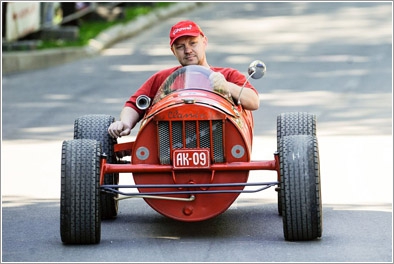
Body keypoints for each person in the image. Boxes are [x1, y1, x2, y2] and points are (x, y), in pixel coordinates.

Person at [108, 20, 260, 138]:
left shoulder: (228, 75)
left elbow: (253, 102)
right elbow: (134, 104)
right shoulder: (162, 78)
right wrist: (125, 123)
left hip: (221, 141)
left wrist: (226, 86)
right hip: (168, 145)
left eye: (193, 43)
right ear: (172, 50)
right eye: (180, 47)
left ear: (204, 42)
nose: (188, 51)